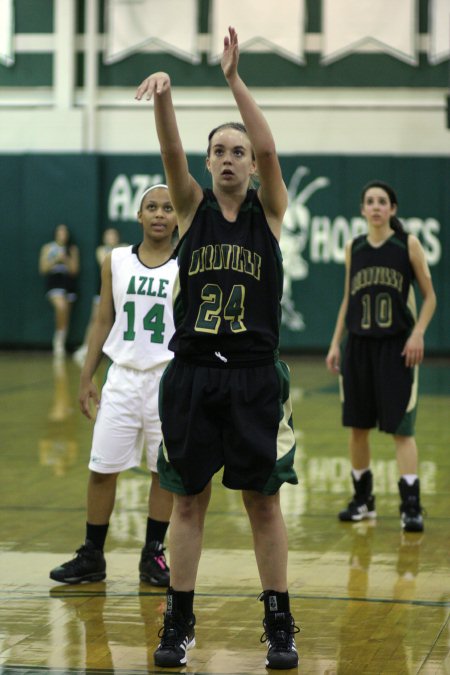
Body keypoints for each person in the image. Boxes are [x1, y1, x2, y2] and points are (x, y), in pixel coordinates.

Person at [135, 26, 299, 670]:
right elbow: (172, 152)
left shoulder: (271, 211)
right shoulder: (190, 208)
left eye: (239, 151)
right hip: (195, 374)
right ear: (209, 164)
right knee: (189, 500)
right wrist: (166, 99)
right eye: (220, 151)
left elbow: (268, 142)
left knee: (263, 503)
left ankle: (279, 622)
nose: (231, 157)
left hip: (256, 377)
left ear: (251, 165)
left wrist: (234, 80)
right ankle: (178, 620)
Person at [49, 185, 177, 586]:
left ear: (178, 217)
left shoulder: (187, 262)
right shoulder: (116, 260)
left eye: (168, 208)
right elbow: (103, 319)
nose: (159, 214)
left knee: (164, 473)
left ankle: (152, 554)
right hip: (121, 376)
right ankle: (92, 555)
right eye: (151, 207)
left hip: (168, 379)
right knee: (102, 468)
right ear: (138, 216)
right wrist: (88, 375)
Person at [325, 180, 436, 533]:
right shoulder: (353, 247)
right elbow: (347, 299)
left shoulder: (408, 244)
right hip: (358, 347)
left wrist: (417, 332)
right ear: (362, 209)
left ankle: (410, 506)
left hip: (396, 348)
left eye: (382, 201)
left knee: (402, 430)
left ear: (392, 209)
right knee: (358, 427)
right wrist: (334, 343)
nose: (375, 207)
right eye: (369, 201)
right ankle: (363, 500)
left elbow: (430, 297)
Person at [73, 228, 125, 367]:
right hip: (104, 289)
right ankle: (86, 348)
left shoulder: (124, 250)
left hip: (120, 289)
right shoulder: (102, 250)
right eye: (108, 236)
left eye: (113, 235)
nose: (111, 238)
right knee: (95, 319)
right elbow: (105, 261)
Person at [39, 223, 80, 358]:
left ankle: (61, 342)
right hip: (54, 281)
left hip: (68, 282)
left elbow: (74, 270)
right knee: (60, 307)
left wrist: (66, 259)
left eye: (65, 232)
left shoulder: (72, 249)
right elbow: (43, 269)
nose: (62, 235)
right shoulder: (48, 248)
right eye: (60, 232)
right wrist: (56, 260)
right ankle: (57, 341)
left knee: (66, 314)